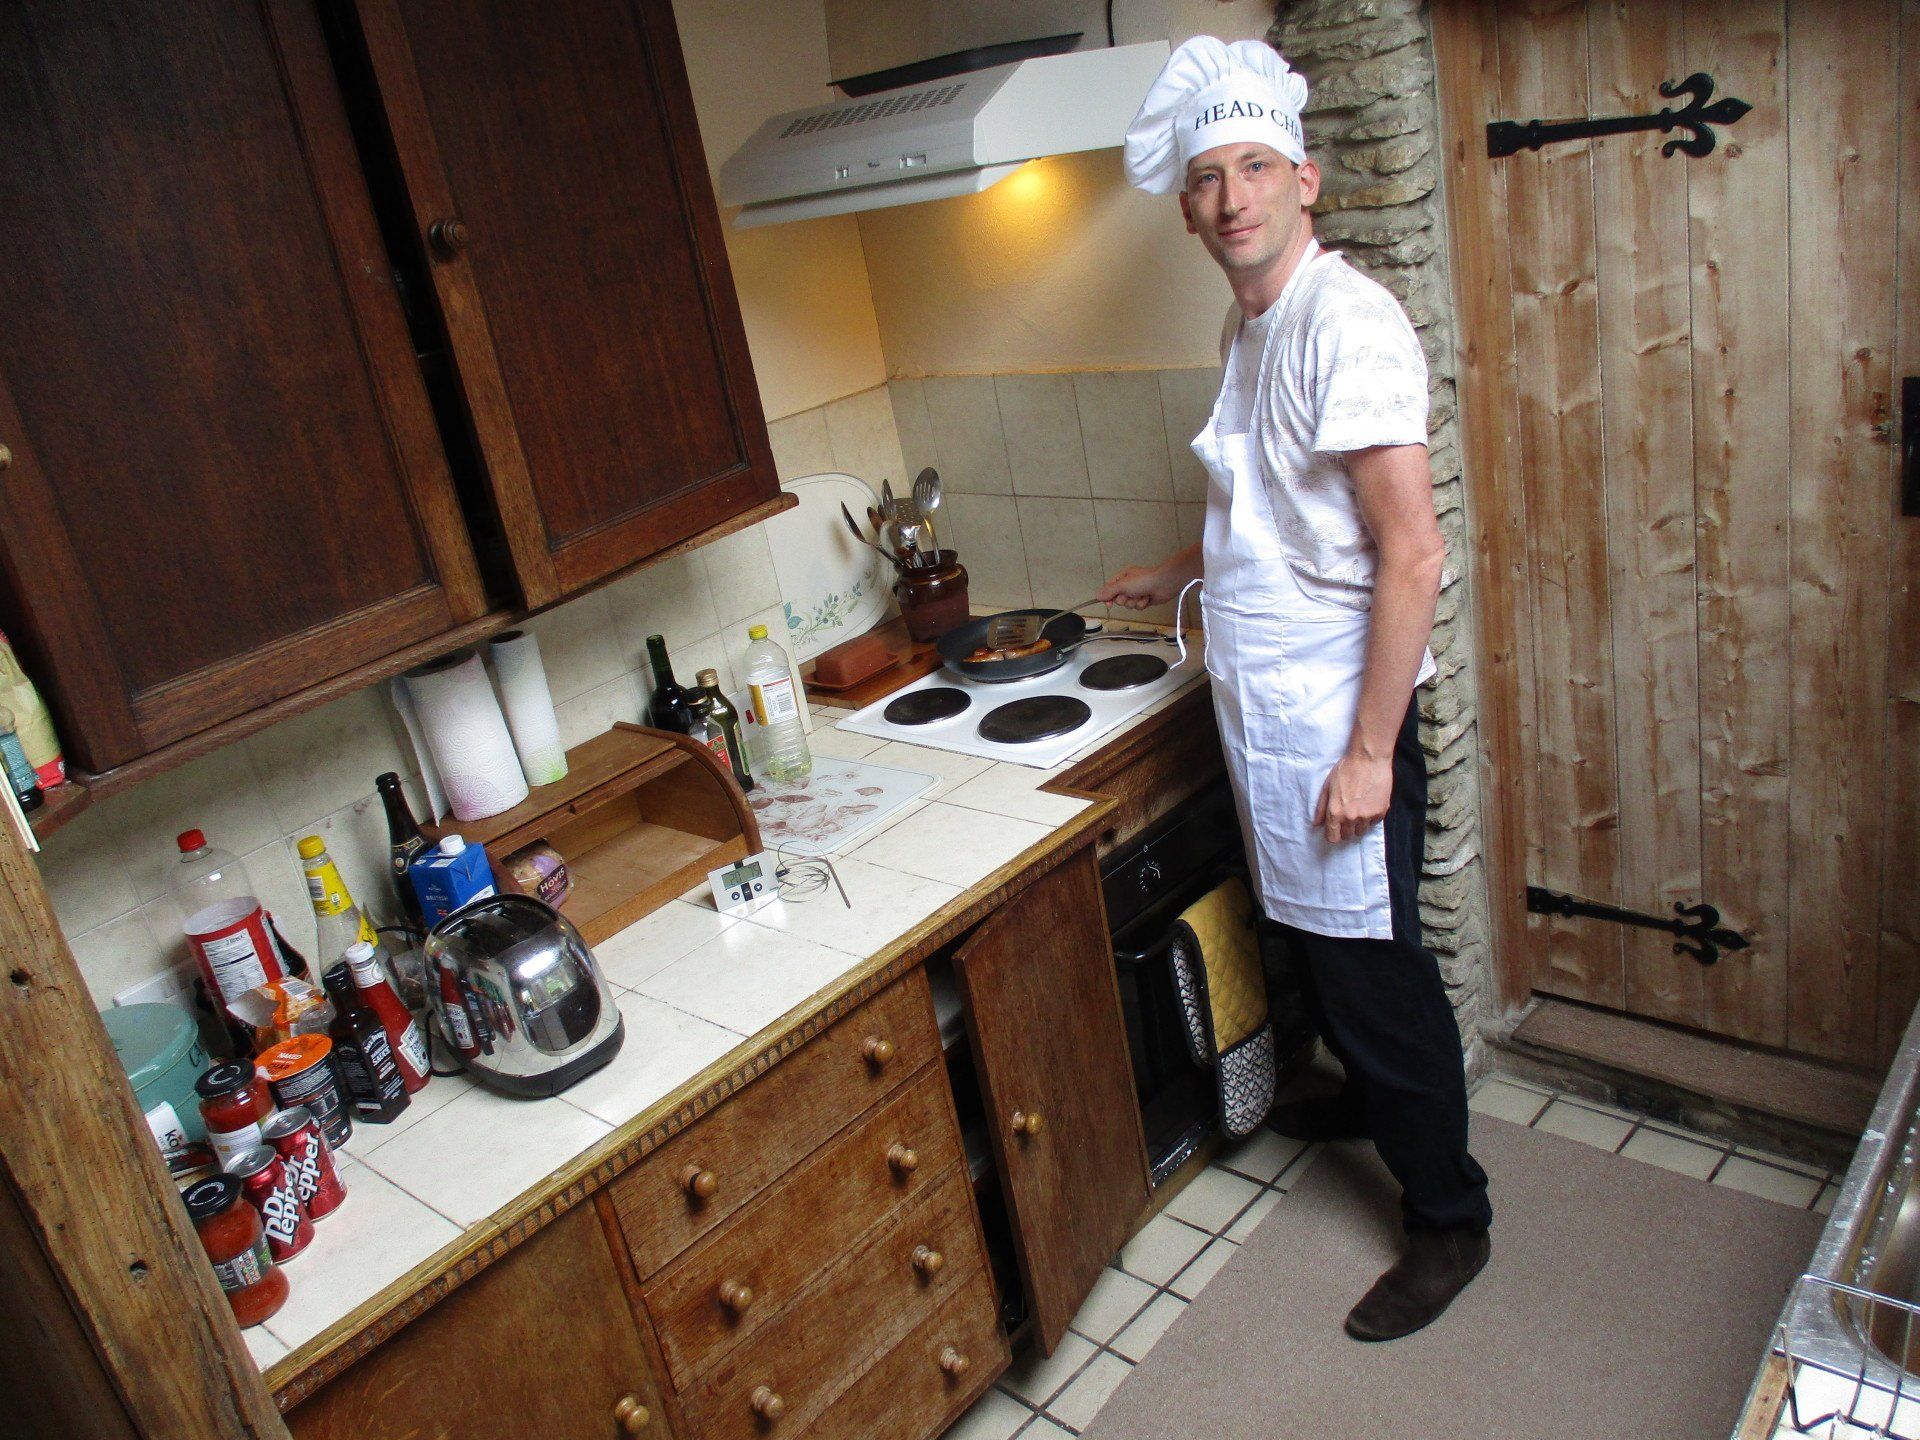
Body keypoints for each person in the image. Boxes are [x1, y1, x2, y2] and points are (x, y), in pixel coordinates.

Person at [1099, 36, 1492, 1342]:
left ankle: (1450, 1217)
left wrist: (1372, 752)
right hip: (1278, 715)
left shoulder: (1347, 323)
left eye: (1256, 169)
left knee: (1378, 977)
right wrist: (1179, 567)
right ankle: (1371, 1101)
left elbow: (1412, 553)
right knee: (1327, 955)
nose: (1234, 199)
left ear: (1304, 180)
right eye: (1209, 178)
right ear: (1188, 208)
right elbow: (1276, 500)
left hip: (1339, 718)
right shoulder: (1250, 324)